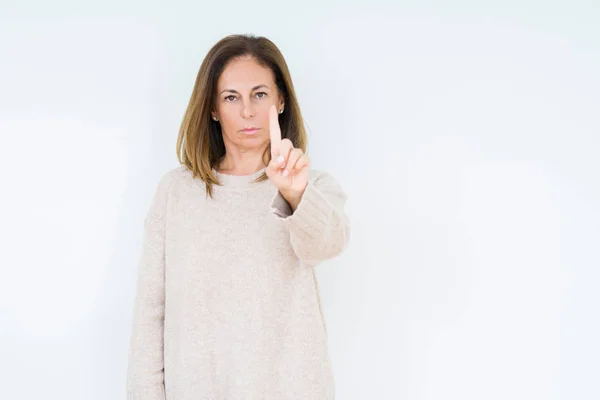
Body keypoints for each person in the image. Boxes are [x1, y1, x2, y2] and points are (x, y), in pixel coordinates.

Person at [126, 33, 350, 400]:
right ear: (213, 108)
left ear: (280, 100)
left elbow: (328, 243)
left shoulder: (313, 186)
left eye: (259, 94)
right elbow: (151, 317)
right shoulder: (176, 193)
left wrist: (295, 194)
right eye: (231, 97)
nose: (247, 111)